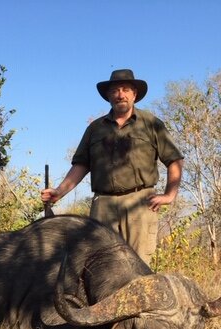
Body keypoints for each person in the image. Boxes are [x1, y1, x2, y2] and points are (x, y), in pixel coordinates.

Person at [41, 69, 184, 265]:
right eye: (115, 90)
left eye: (125, 89)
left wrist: (170, 195)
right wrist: (59, 192)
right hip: (103, 204)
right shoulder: (95, 128)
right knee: (101, 266)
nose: (120, 95)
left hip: (140, 203)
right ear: (109, 96)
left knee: (139, 267)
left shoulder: (151, 124)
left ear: (134, 94)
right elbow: (81, 165)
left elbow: (174, 159)